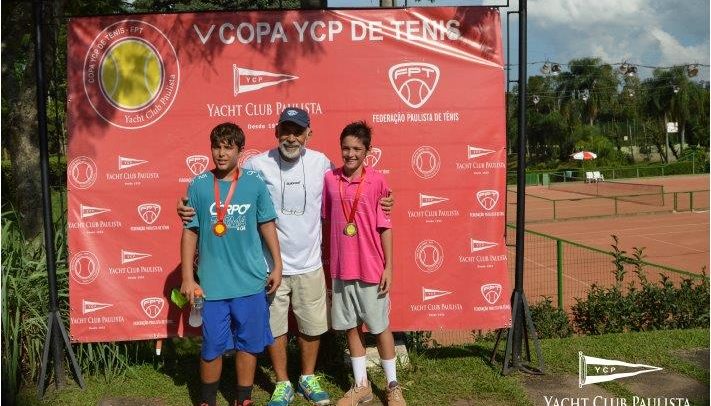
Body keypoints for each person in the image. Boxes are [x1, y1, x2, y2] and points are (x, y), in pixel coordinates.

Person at [178, 108, 393, 406]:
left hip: (310, 262)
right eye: (286, 131)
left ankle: (307, 376)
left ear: (308, 134)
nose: (291, 137)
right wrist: (187, 207)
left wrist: (384, 199)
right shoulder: (256, 165)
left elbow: (350, 184)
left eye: (298, 131)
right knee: (275, 326)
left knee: (311, 325)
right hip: (269, 267)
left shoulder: (322, 164)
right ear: (276, 132)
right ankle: (282, 382)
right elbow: (224, 185)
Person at [180, 122, 283, 406]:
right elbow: (190, 232)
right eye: (217, 147)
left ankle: (243, 399)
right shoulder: (199, 184)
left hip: (250, 282)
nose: (222, 153)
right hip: (212, 286)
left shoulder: (254, 183)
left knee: (248, 344)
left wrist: (277, 265)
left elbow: (267, 224)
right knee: (212, 346)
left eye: (228, 147)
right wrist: (188, 277)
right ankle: (208, 400)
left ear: (240, 150)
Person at [322, 121, 405, 406]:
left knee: (380, 327)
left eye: (357, 149)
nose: (350, 154)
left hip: (371, 268)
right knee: (350, 327)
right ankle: (361, 386)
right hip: (342, 268)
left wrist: (389, 267)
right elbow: (326, 218)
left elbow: (385, 227)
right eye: (346, 148)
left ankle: (393, 386)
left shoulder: (378, 182)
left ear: (367, 151)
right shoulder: (329, 179)